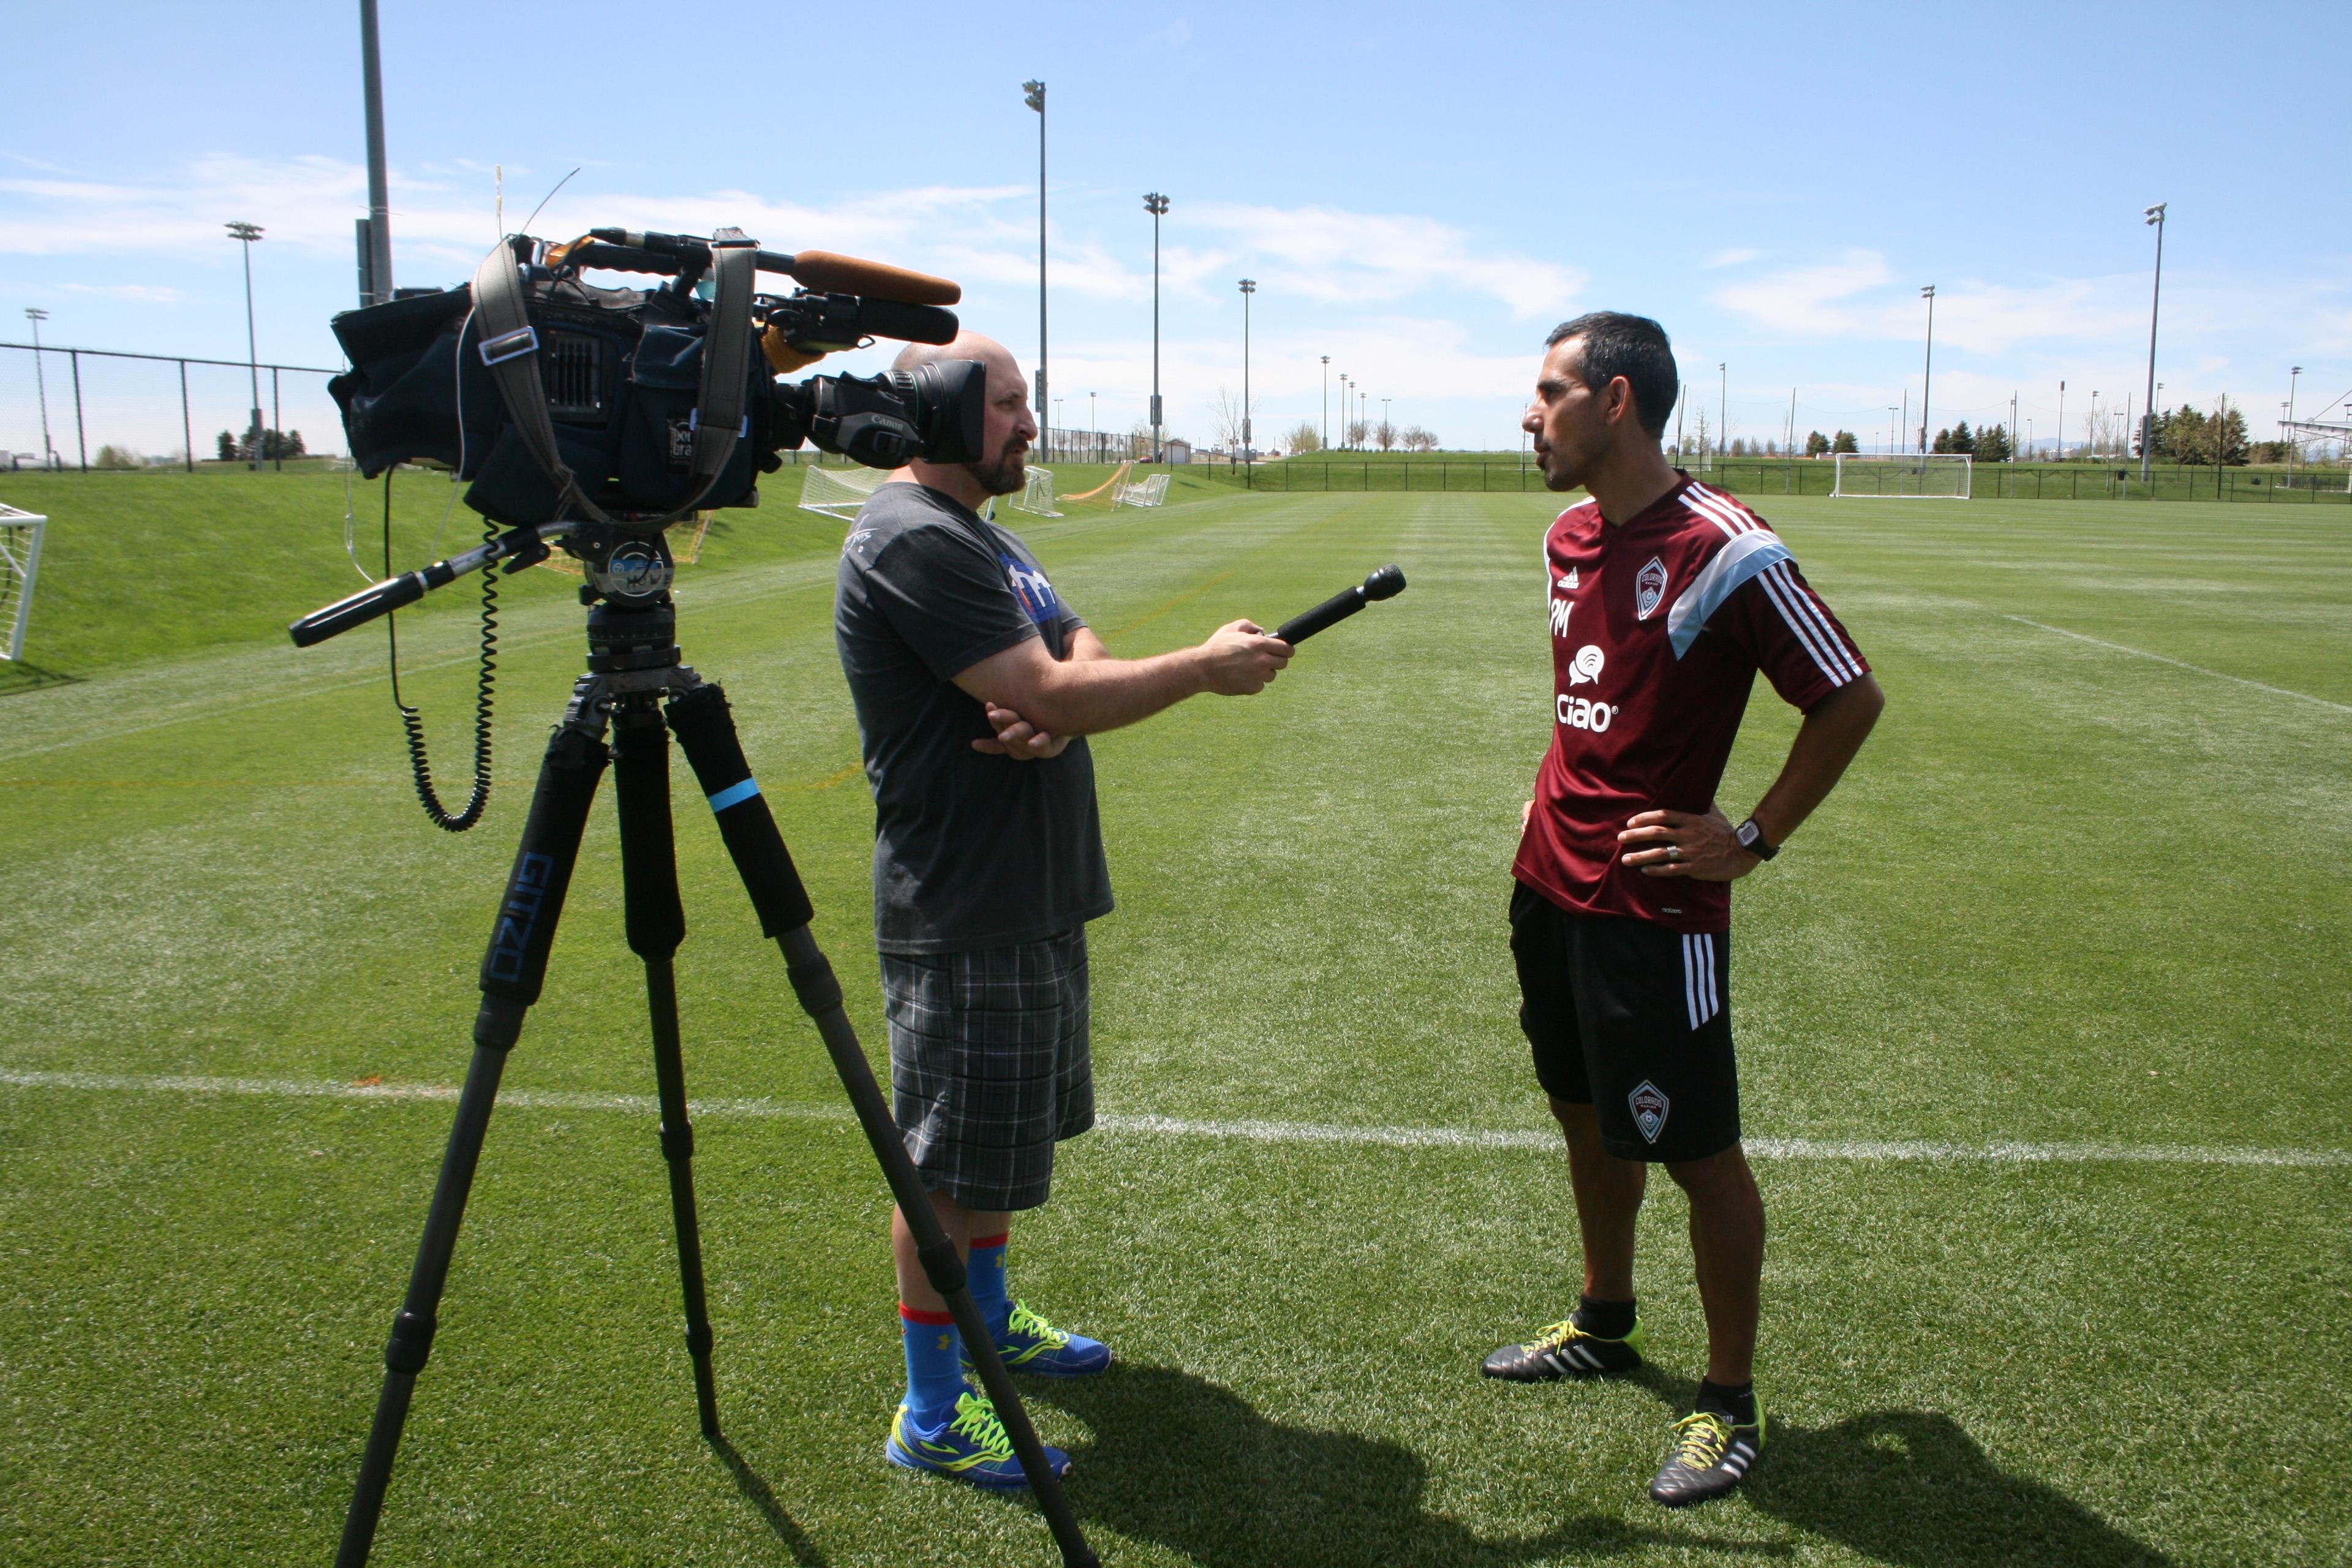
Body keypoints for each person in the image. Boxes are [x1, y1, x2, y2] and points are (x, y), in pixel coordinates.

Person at [833, 331, 1292, 1489]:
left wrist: (1055, 699)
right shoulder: (908, 537)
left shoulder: (983, 536)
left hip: (1028, 896)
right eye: (1008, 404)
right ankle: (932, 1411)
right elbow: (1044, 677)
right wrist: (1181, 671)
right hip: (964, 905)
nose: (1029, 426)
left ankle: (990, 1323)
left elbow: (1070, 643)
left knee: (994, 1156)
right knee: (945, 1170)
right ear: (934, 408)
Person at [1483, 312, 1884, 1506]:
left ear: (1615, 402)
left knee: (1702, 1154)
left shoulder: (1730, 550)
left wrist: (1747, 836)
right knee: (1585, 1114)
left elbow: (1849, 697)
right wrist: (1544, 798)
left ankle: (1728, 1399)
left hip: (1657, 917)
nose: (1527, 414)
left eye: (1547, 391)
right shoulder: (1563, 536)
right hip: (1549, 886)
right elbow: (1592, 705)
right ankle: (1607, 1319)